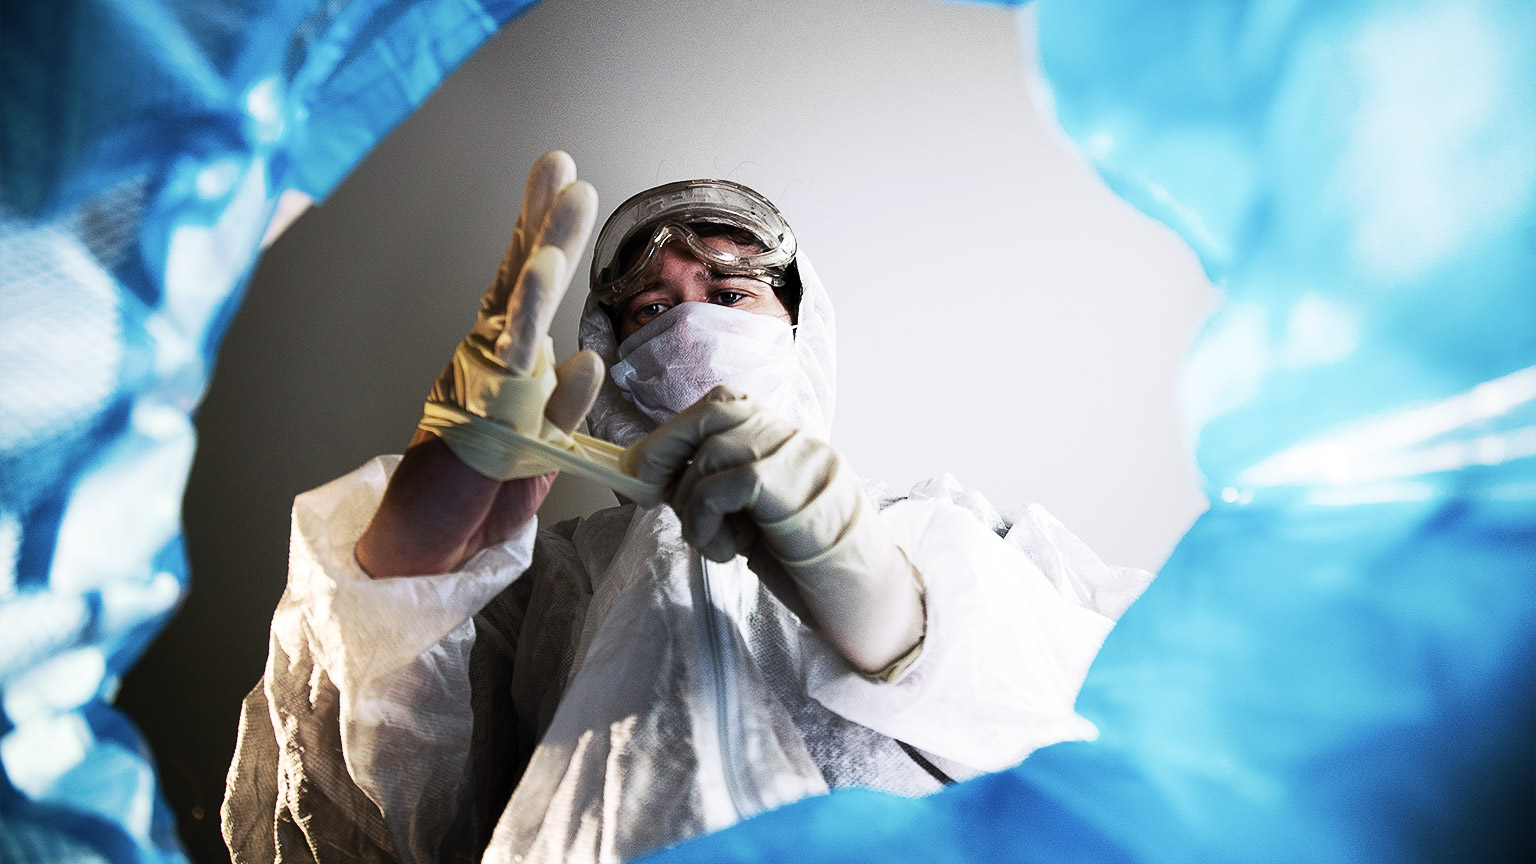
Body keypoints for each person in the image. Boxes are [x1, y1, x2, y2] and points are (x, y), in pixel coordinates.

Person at [221, 151, 1153, 864]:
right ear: (610, 357)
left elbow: (1155, 744)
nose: (688, 323)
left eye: (732, 292)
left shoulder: (949, 525)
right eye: (649, 311)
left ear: (800, 332)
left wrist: (903, 612)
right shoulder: (539, 578)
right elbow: (373, 826)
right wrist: (396, 583)